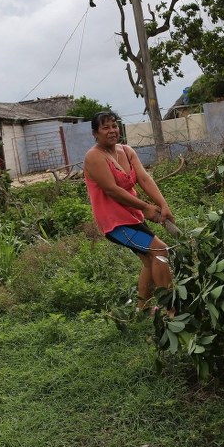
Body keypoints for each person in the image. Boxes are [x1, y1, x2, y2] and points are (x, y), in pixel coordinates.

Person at [84, 110, 174, 311]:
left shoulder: (126, 151)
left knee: (150, 261)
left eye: (114, 125)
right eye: (105, 127)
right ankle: (171, 311)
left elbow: (144, 179)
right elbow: (112, 190)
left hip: (133, 217)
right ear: (95, 134)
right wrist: (147, 207)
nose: (111, 131)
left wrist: (163, 204)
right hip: (116, 223)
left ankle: (142, 309)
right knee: (160, 250)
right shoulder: (94, 157)